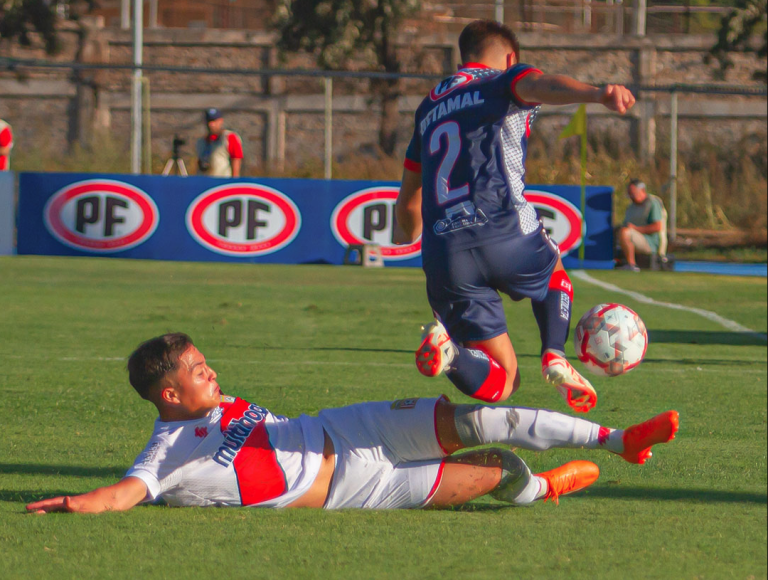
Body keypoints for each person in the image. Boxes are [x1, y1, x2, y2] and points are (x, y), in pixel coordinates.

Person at [27, 333, 679, 514]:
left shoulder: (216, 403)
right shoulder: (167, 449)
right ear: (169, 393)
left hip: (350, 428)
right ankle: (544, 487)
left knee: (485, 419)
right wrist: (78, 502)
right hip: (359, 490)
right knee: (500, 472)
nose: (211, 371)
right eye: (198, 370)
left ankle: (619, 440)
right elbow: (127, 492)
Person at [393, 20, 636, 413]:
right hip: (502, 229)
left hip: (445, 253)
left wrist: (409, 234)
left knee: (504, 380)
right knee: (554, 270)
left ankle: (450, 355)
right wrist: (597, 93)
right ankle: (554, 353)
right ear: (510, 58)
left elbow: (408, 203)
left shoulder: (429, 108)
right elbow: (542, 85)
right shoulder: (502, 80)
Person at [617, 179, 664, 272]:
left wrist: (636, 229)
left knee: (625, 233)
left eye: (633, 193)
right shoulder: (631, 207)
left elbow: (657, 227)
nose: (631, 196)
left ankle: (631, 264)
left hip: (649, 242)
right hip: (634, 236)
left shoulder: (652, 203)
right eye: (630, 193)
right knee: (620, 231)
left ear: (642, 190)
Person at [195, 108, 244, 177]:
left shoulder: (229, 137)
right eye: (209, 121)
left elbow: (236, 159)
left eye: (214, 121)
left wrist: (234, 179)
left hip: (222, 179)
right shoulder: (201, 141)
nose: (211, 124)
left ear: (221, 121)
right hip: (205, 179)